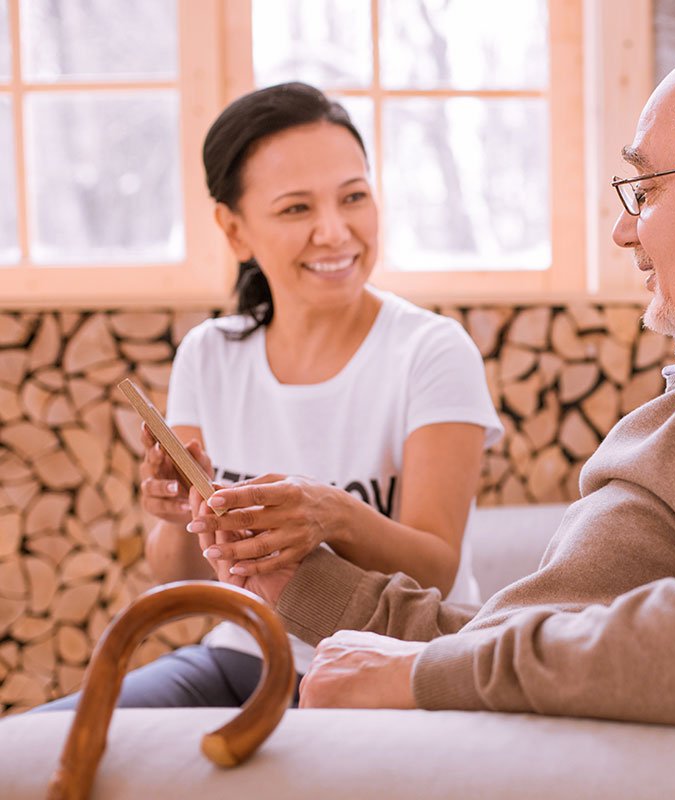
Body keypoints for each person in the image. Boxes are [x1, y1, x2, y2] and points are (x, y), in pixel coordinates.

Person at [198, 38, 675, 726]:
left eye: (644, 191)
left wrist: (419, 676)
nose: (622, 231)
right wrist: (298, 582)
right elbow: (518, 637)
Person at [41, 83, 501, 710]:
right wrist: (180, 518)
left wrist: (333, 513)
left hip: (391, 663)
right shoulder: (209, 353)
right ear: (234, 230)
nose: (335, 232)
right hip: (242, 654)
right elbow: (176, 576)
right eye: (295, 210)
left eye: (354, 198)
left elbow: (437, 571)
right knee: (51, 738)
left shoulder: (432, 351)